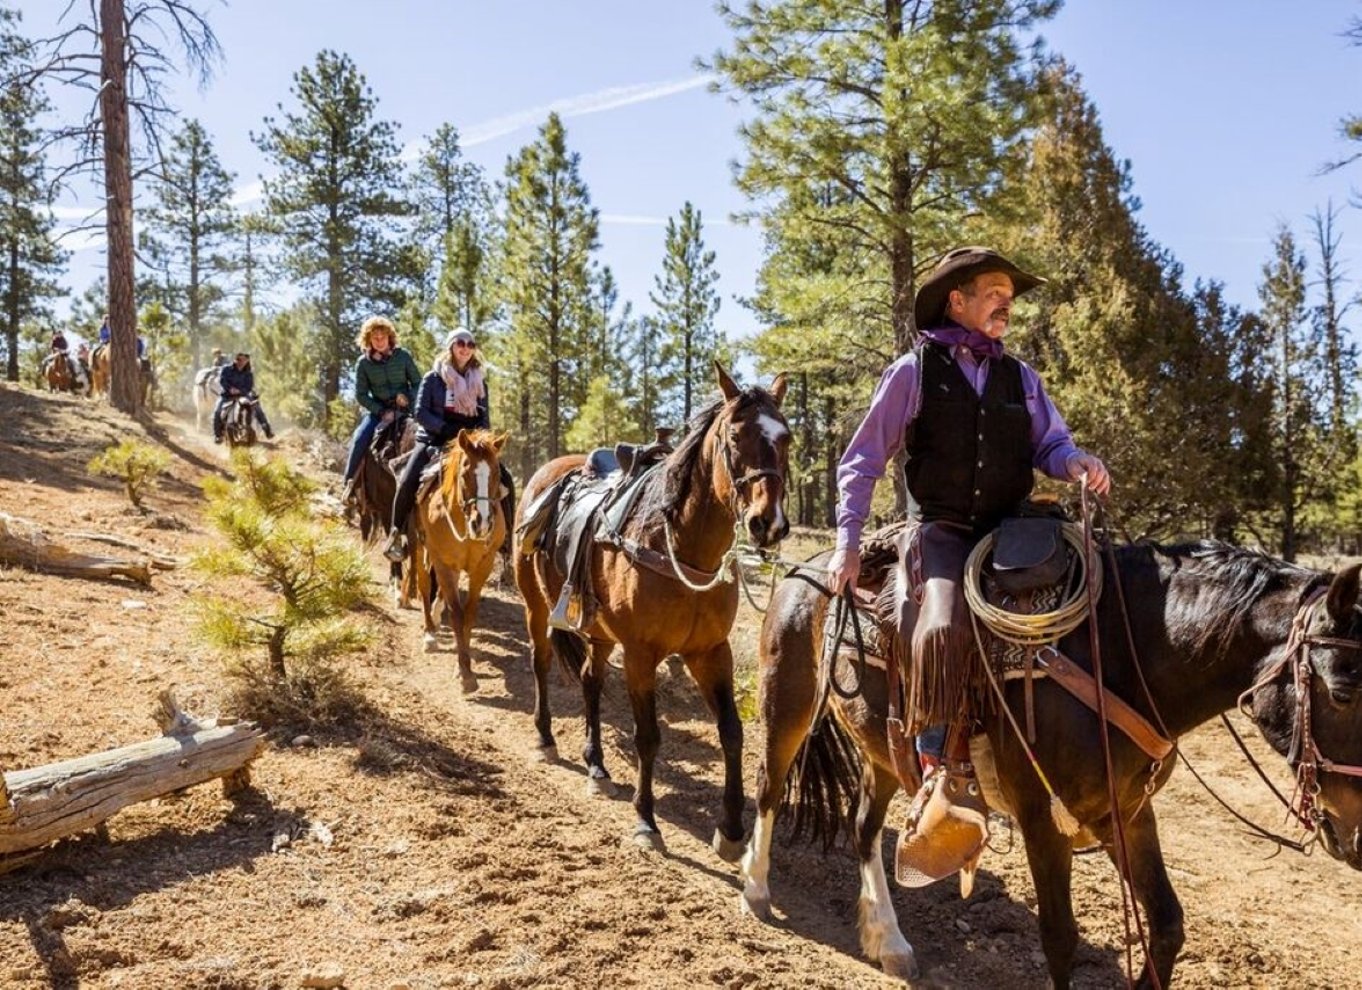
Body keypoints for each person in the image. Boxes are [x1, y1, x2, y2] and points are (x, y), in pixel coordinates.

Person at [826, 246, 1110, 860]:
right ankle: (938, 771)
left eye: (1011, 293)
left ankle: (1058, 764)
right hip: (945, 531)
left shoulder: (1021, 376)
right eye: (994, 290)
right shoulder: (914, 371)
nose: (1007, 301)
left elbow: (1051, 444)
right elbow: (863, 459)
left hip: (1014, 530)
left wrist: (1076, 462)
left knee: (1090, 603)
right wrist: (848, 542)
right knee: (942, 626)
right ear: (958, 300)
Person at [383, 327, 514, 562]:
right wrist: (446, 430)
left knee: (505, 479)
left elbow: (484, 420)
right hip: (434, 438)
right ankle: (396, 534)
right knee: (407, 480)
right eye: (460, 343)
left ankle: (507, 544)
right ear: (451, 346)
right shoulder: (433, 378)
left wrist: (479, 440)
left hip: (470, 445)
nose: (465, 348)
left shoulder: (479, 382)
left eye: (470, 345)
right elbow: (420, 412)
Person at [340, 316, 421, 505]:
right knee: (360, 437)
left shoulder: (403, 356)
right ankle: (349, 485)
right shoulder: (363, 363)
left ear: (389, 337)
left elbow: (418, 383)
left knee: (426, 437)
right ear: (368, 339)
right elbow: (360, 395)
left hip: (406, 411)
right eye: (374, 337)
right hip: (379, 413)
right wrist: (380, 411)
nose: (379, 340)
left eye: (382, 336)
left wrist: (407, 397)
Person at [212, 351, 274, 443]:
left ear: (247, 361)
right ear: (235, 360)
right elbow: (222, 381)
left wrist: (240, 391)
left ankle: (267, 430)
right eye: (240, 360)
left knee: (257, 408)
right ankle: (218, 435)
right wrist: (230, 389)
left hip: (243, 395)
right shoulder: (226, 369)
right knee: (217, 412)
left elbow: (249, 386)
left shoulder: (248, 373)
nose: (242, 363)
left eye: (245, 361)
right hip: (227, 395)